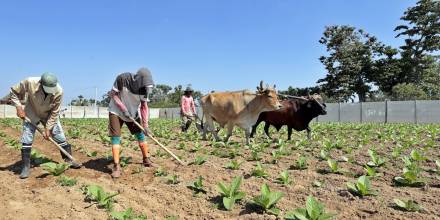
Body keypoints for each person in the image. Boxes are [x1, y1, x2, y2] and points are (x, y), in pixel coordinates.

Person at [9, 73, 81, 179]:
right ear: (41, 84)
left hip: (48, 114)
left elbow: (55, 112)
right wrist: (18, 107)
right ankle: (25, 167)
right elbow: (13, 92)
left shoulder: (59, 91)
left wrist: (48, 128)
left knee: (59, 136)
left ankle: (69, 160)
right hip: (31, 112)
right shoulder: (30, 82)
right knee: (27, 137)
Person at [107, 67, 154, 178]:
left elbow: (144, 106)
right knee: (115, 137)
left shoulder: (145, 89)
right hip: (116, 111)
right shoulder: (122, 79)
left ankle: (146, 159)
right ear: (139, 80)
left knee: (141, 134)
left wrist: (146, 125)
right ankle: (116, 166)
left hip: (132, 113)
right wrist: (123, 109)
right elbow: (113, 95)